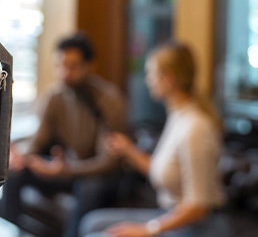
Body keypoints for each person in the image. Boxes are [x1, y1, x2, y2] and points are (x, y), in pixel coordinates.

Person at [80, 43, 229, 237]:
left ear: (168, 78)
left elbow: (199, 206)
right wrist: (129, 151)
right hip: (170, 214)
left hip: (197, 227)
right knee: (91, 223)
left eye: (150, 73)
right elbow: (164, 170)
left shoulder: (195, 128)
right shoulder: (178, 116)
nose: (148, 80)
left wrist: (148, 229)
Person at [0, 33, 128, 237]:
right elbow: (38, 139)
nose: (65, 73)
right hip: (66, 168)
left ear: (89, 66)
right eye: (60, 66)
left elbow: (108, 162)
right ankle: (8, 232)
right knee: (14, 174)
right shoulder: (55, 97)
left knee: (90, 189)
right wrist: (23, 156)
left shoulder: (109, 100)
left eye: (73, 66)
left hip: (97, 174)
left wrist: (67, 170)